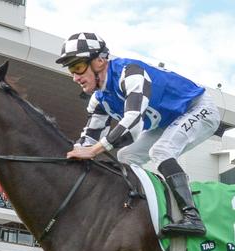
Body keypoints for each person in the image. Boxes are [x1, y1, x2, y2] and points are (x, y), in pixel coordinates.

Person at [57, 33, 223, 236]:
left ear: (100, 61)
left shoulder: (130, 73)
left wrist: (94, 150)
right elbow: (86, 141)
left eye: (78, 67)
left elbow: (133, 121)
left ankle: (192, 217)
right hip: (167, 121)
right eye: (71, 70)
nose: (75, 77)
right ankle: (139, 207)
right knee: (126, 156)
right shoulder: (99, 99)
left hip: (198, 108)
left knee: (161, 150)